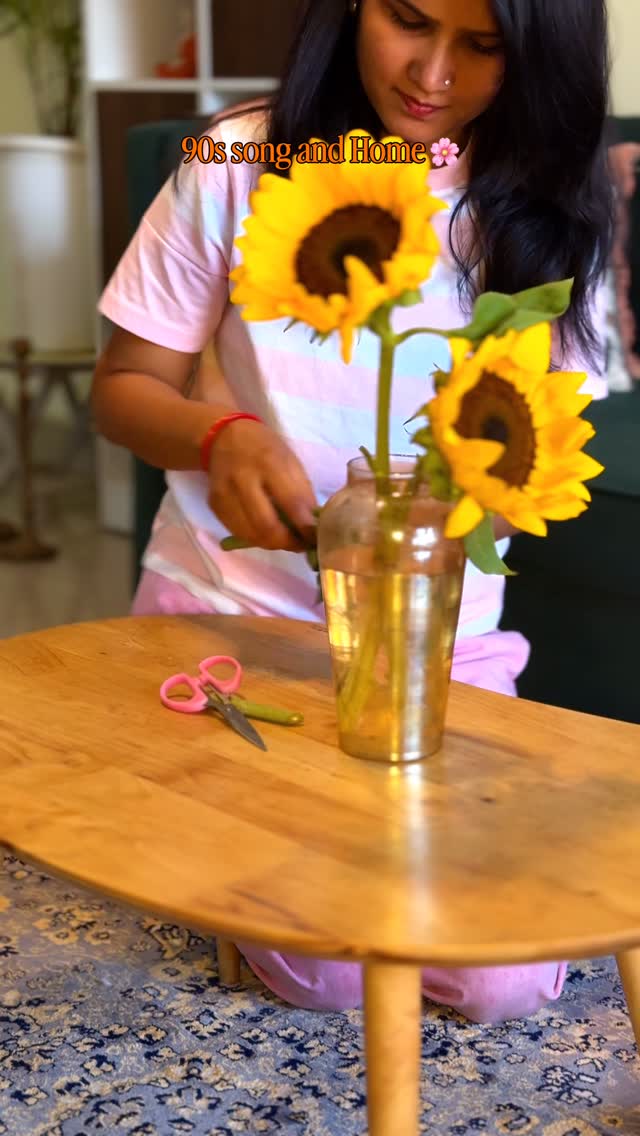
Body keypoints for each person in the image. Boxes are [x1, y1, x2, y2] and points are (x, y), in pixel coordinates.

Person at [91, 0, 613, 1024]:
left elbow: (542, 458)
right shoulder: (238, 158)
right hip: (233, 626)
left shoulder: (554, 202)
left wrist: (456, 512)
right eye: (407, 21)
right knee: (331, 968)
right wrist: (218, 434)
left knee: (502, 981)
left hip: (438, 650)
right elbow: (123, 388)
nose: (431, 74)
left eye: (482, 46)